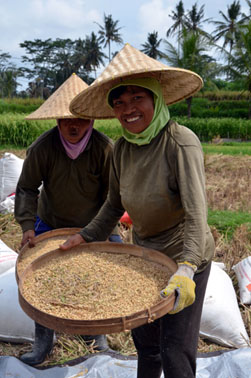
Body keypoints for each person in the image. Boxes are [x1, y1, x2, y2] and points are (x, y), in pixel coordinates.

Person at [60, 44, 215, 378]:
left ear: (155, 99)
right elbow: (114, 204)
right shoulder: (123, 149)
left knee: (175, 350)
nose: (127, 109)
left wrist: (187, 269)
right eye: (119, 102)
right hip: (144, 257)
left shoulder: (180, 143)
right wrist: (84, 236)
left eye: (136, 99)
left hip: (185, 256)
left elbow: (196, 214)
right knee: (147, 346)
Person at [15, 73, 120, 366]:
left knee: (102, 276)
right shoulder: (43, 148)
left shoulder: (104, 149)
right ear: (58, 120)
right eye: (66, 119)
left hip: (95, 223)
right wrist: (26, 226)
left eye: (82, 119)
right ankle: (43, 340)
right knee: (40, 278)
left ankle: (95, 336)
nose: (73, 125)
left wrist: (98, 233)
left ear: (93, 121)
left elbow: (114, 199)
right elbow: (25, 188)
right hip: (52, 222)